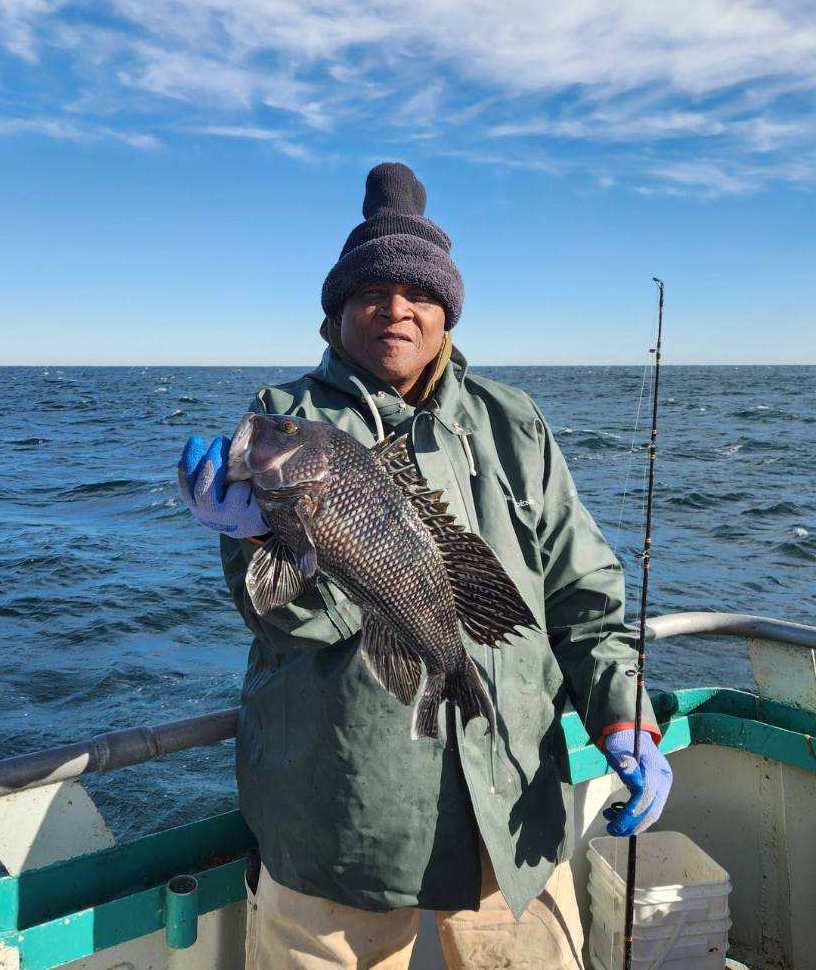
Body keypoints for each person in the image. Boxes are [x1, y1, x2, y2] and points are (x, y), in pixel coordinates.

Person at [177, 162, 672, 970]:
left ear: (448, 310)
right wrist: (262, 537)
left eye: (420, 291)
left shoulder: (513, 422)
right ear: (338, 313)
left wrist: (624, 716)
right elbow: (283, 620)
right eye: (372, 290)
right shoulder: (288, 426)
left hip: (511, 814)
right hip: (341, 825)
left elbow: (582, 593)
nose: (396, 307)